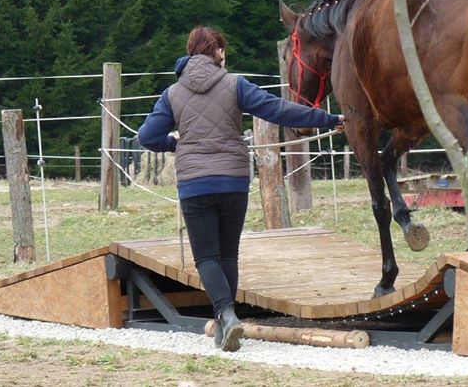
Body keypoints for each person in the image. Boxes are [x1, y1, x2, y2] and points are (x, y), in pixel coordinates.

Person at [137, 26, 343, 352]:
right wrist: (329, 120)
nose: (225, 55)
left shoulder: (172, 94)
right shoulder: (235, 85)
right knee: (228, 253)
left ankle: (226, 316)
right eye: (223, 50)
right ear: (217, 51)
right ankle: (226, 323)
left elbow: (146, 137)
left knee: (206, 257)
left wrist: (174, 145)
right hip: (233, 180)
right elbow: (278, 110)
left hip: (194, 184)